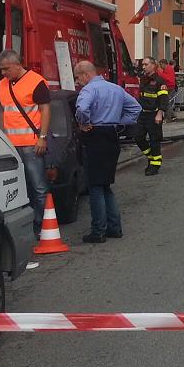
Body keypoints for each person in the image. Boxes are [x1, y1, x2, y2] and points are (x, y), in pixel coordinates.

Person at [74, 60, 141, 243]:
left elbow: (82, 108)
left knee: (95, 185)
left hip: (94, 136)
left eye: (77, 78)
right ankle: (114, 227)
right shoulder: (116, 89)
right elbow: (136, 108)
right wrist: (120, 121)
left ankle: (98, 231)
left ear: (86, 75)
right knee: (105, 184)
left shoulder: (89, 90)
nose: (77, 82)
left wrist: (84, 122)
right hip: (111, 136)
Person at [0, 49, 52, 229]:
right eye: (1, 70)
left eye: (6, 69)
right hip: (11, 146)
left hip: (31, 144)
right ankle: (29, 225)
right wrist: (1, 138)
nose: (4, 73)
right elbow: (4, 111)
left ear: (17, 64)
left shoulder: (36, 82)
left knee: (39, 187)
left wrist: (42, 138)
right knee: (21, 189)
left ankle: (43, 227)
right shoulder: (3, 84)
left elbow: (45, 110)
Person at [134, 58, 169, 176]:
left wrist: (160, 113)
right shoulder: (143, 80)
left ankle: (155, 165)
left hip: (154, 114)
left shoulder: (160, 81)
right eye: (142, 64)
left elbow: (164, 100)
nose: (143, 67)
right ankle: (151, 157)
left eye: (146, 64)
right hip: (142, 114)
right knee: (138, 137)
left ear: (153, 65)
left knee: (154, 140)